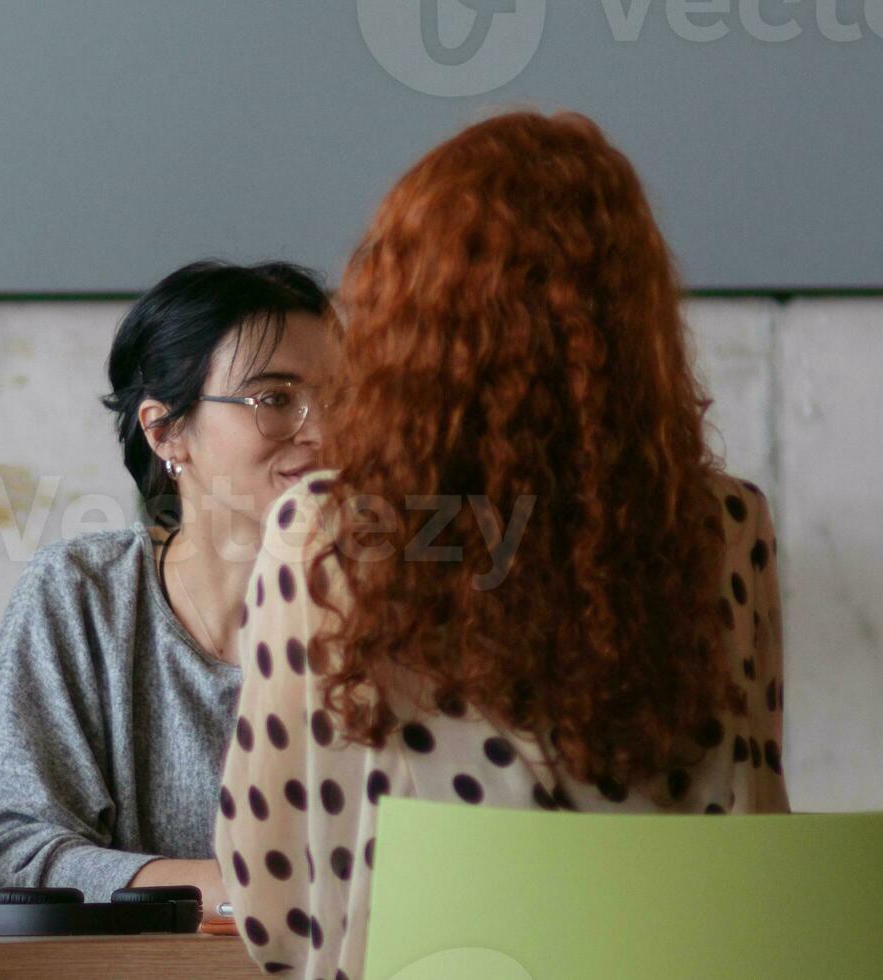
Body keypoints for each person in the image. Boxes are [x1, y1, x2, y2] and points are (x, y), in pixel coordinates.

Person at [214, 110, 791, 979]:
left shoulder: (325, 533)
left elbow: (273, 904)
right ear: (633, 316)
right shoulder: (724, 527)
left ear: (402, 312)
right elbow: (759, 846)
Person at [0, 260, 339, 896]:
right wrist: (255, 896)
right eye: (275, 399)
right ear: (166, 431)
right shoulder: (83, 594)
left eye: (342, 400)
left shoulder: (403, 609)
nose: (325, 431)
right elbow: (16, 857)